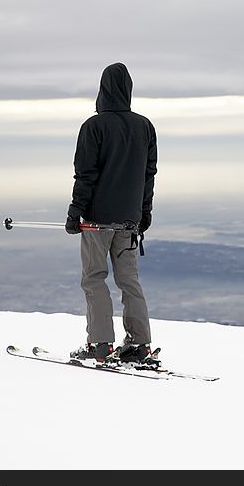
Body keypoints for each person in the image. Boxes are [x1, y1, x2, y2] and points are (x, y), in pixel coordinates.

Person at [65, 63, 157, 364]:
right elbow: (148, 174)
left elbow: (86, 175)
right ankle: (139, 345)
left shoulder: (93, 127)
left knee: (94, 278)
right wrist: (144, 213)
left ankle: (100, 344)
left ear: (102, 89)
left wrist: (75, 213)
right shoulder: (145, 127)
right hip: (130, 222)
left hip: (97, 221)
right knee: (129, 280)